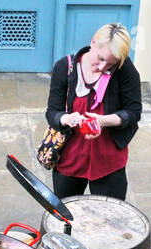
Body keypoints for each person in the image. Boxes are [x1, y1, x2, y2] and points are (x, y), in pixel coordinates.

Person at [44, 22, 141, 202]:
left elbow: (133, 112)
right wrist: (66, 118)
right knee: (66, 218)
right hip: (70, 159)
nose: (103, 66)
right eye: (100, 58)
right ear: (93, 42)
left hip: (108, 161)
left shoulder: (124, 69)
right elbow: (52, 113)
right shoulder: (64, 68)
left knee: (109, 219)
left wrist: (104, 121)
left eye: (110, 63)